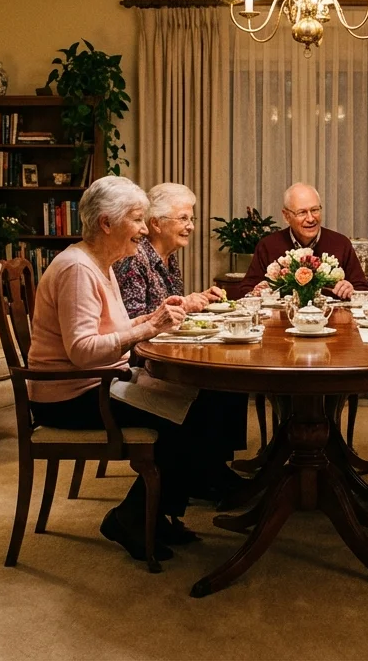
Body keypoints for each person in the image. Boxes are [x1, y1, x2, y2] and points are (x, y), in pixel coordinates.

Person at [26, 176, 225, 565]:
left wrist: (152, 316)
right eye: (137, 220)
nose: (143, 229)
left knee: (203, 401)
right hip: (70, 396)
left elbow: (111, 330)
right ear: (106, 223)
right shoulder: (78, 269)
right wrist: (148, 328)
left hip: (99, 383)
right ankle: (129, 518)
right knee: (187, 417)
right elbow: (82, 352)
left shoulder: (102, 263)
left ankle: (156, 513)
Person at [113, 182, 249, 502]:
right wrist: (187, 306)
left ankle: (210, 469)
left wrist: (192, 301)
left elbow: (169, 307)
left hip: (163, 348)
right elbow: (134, 321)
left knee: (230, 373)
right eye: (183, 218)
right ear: (157, 223)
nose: (190, 225)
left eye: (191, 218)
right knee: (216, 383)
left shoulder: (167, 257)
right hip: (139, 360)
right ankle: (206, 474)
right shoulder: (136, 259)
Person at [237, 183, 368, 300]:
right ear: (286, 216)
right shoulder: (268, 245)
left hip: (331, 322)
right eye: (302, 213)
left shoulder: (341, 243)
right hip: (282, 322)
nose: (311, 218)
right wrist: (257, 292)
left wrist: (351, 290)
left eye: (315, 210)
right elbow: (245, 290)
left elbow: (363, 290)